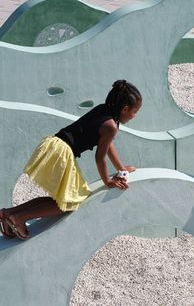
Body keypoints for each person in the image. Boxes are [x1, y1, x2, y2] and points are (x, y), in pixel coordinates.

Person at [0, 80, 142, 240]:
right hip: (62, 153)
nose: (134, 116)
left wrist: (122, 169)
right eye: (135, 111)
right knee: (69, 203)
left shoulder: (103, 111)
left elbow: (108, 145)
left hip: (53, 145)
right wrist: (108, 181)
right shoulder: (111, 126)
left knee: (58, 199)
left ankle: (8, 214)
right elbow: (100, 157)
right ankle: (19, 219)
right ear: (125, 109)